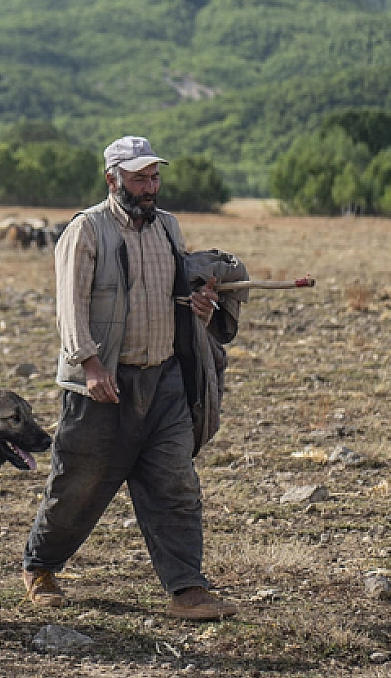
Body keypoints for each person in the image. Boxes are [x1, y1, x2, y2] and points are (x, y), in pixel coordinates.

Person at [21, 135, 239, 621]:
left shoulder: (167, 229)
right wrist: (90, 364)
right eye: (139, 177)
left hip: (162, 382)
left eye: (154, 176)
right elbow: (70, 305)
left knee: (175, 484)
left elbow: (176, 298)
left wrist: (200, 307)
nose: (150, 186)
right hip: (103, 383)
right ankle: (41, 567)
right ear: (112, 178)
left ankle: (187, 588)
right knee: (80, 483)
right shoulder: (87, 230)